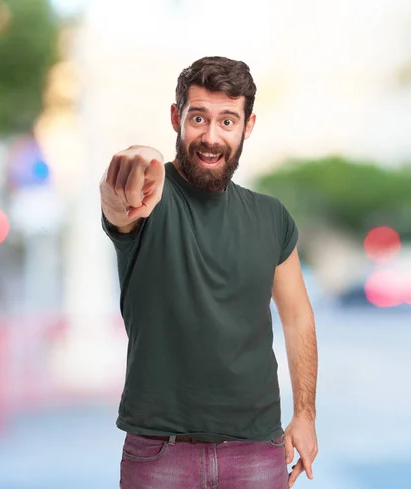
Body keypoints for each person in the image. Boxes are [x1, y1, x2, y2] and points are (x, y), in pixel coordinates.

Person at [100, 56, 318, 489]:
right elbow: (117, 199)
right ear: (176, 117)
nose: (211, 137)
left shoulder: (271, 217)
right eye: (198, 118)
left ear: (248, 125)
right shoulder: (149, 199)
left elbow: (297, 319)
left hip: (258, 451)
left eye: (227, 121)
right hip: (159, 452)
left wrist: (305, 415)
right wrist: (136, 162)